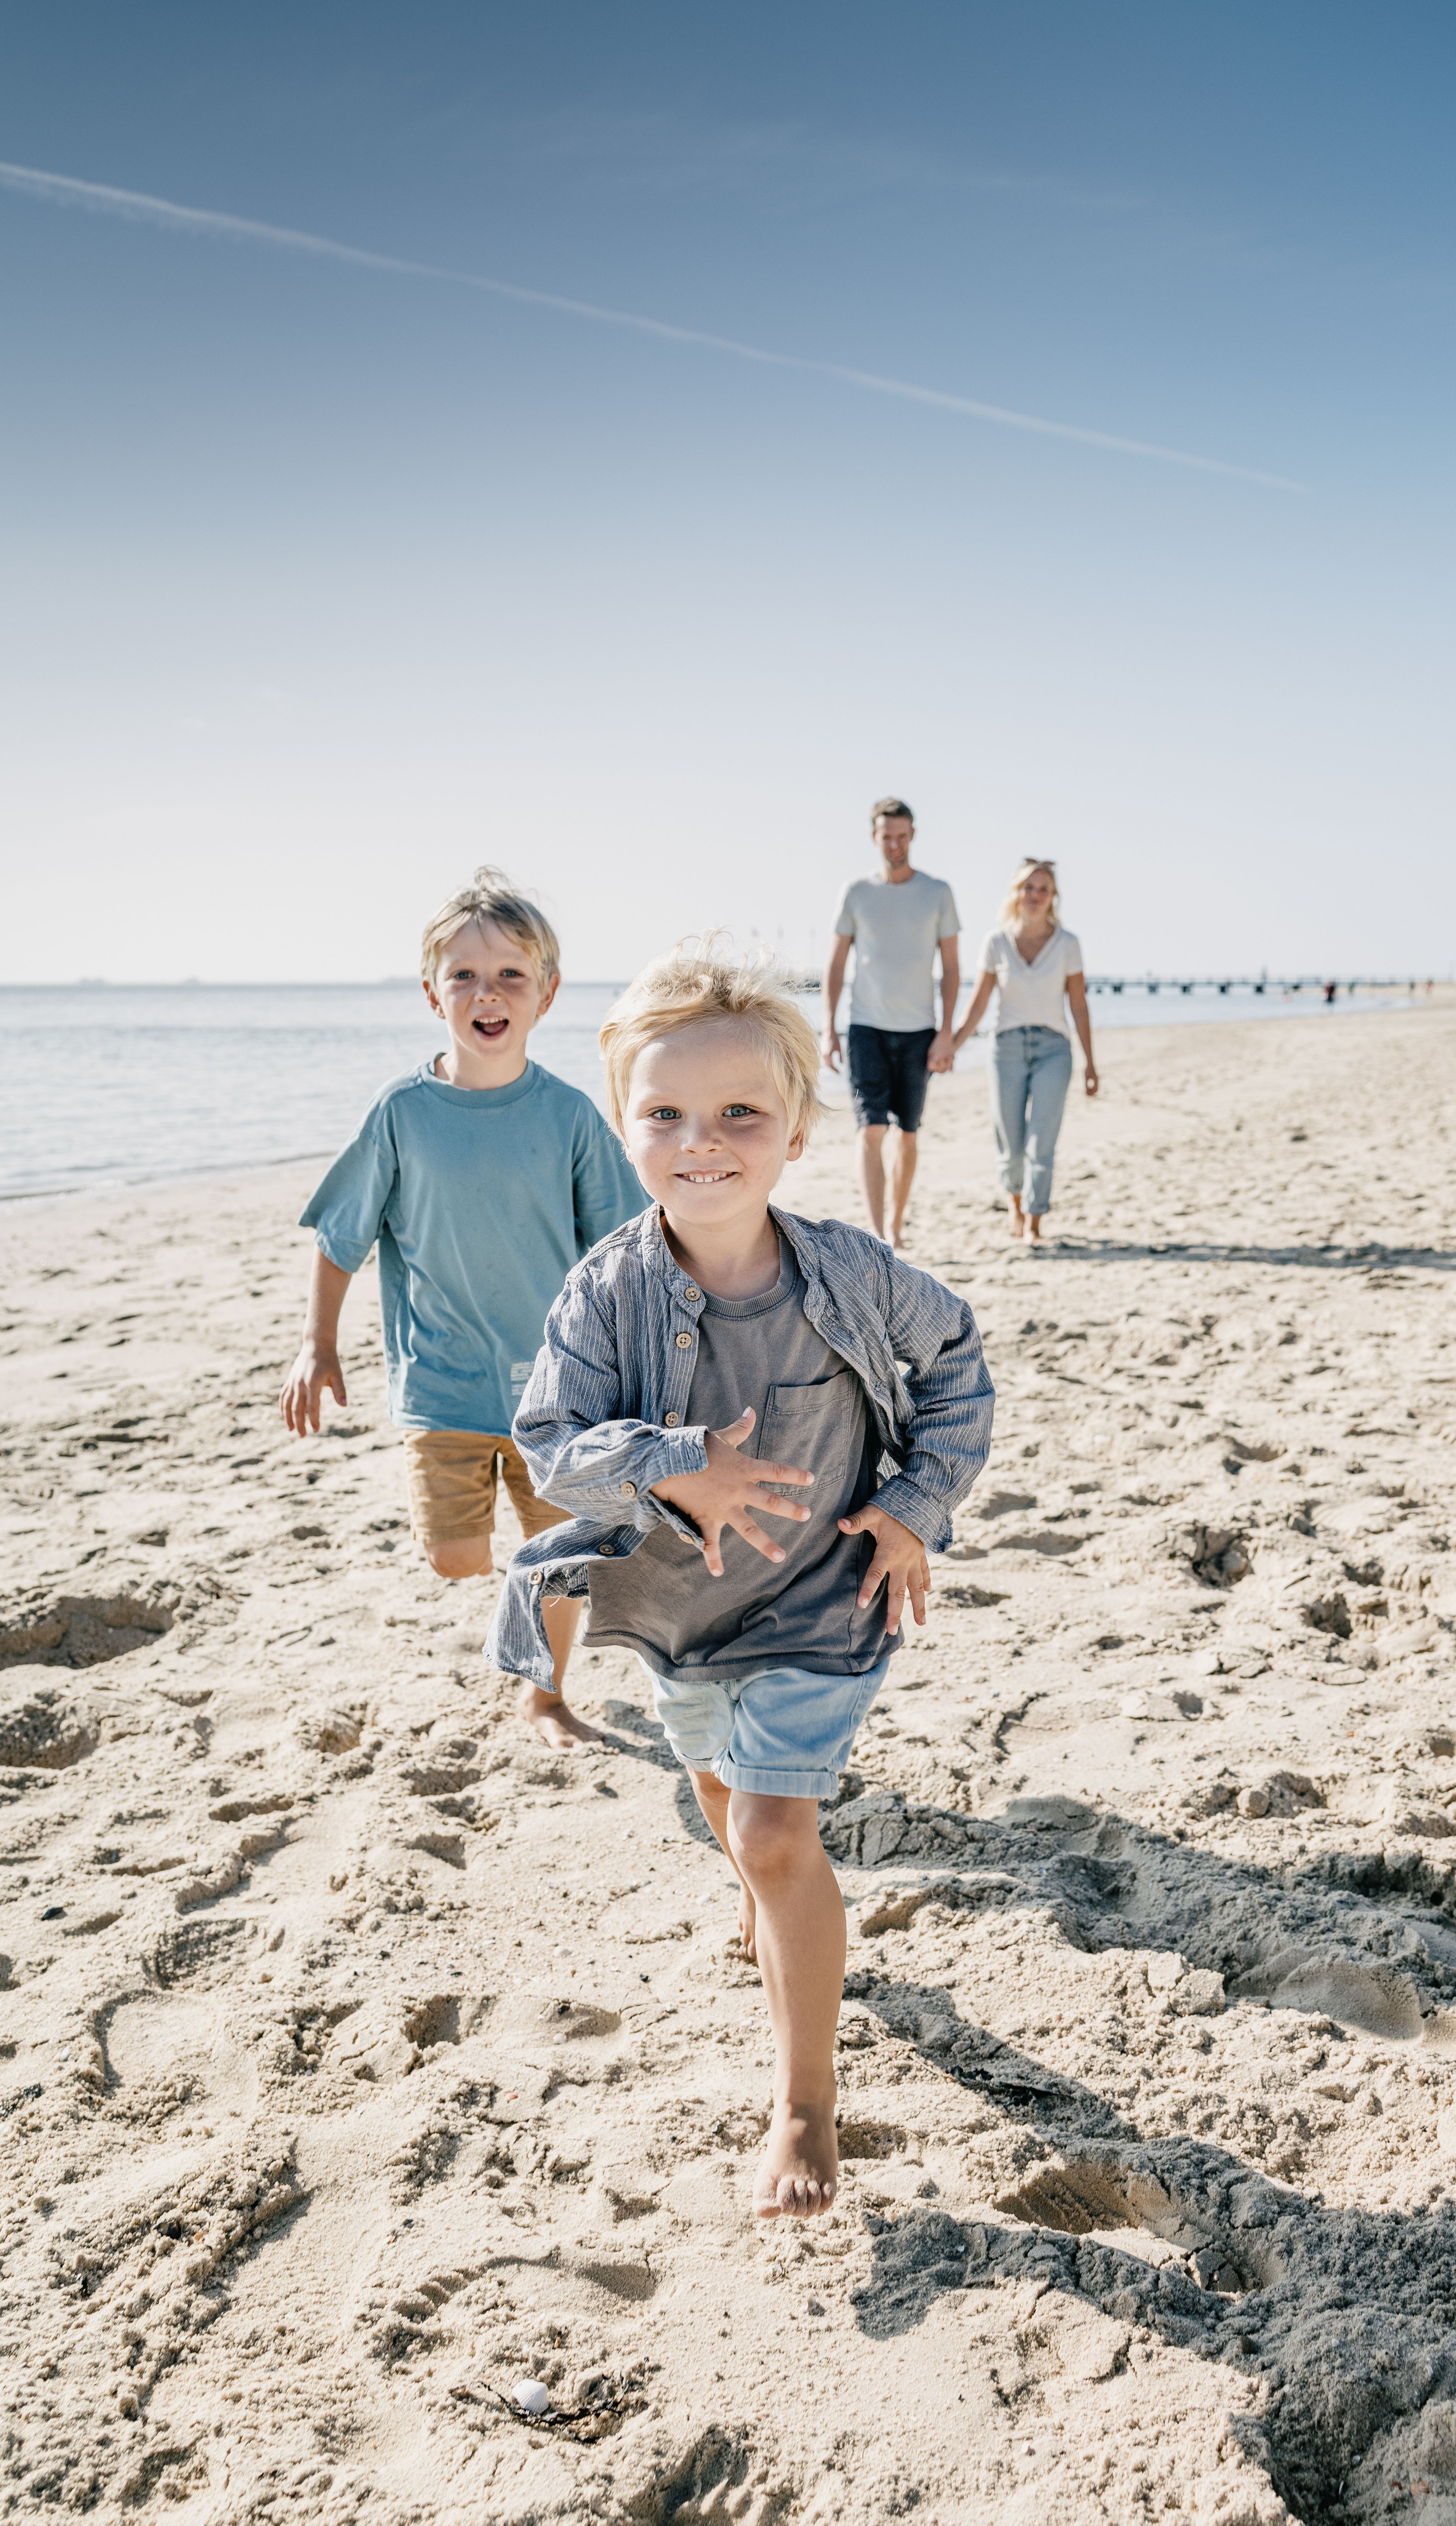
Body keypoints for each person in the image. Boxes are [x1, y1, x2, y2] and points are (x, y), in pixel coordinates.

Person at [485, 939, 993, 2216]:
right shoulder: (604, 1291)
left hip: (826, 1601)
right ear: (622, 1127)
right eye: (663, 1113)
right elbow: (547, 1444)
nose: (699, 1140)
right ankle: (776, 1908)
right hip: (678, 1611)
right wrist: (673, 1468)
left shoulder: (857, 1272)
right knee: (726, 1806)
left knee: (774, 1830)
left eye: (738, 1114)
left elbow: (957, 1366)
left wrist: (913, 1505)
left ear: (795, 1131)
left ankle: (805, 2103)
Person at [278, 869, 646, 1748]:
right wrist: (315, 1345)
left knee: (559, 1560)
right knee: (453, 1558)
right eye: (466, 976)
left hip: (557, 1391)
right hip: (441, 1387)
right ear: (431, 992)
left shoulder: (567, 1117)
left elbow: (622, 1247)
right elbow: (341, 1237)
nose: (488, 994)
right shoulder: (403, 1113)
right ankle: (516, 1583)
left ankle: (545, 1695)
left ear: (547, 993)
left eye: (511, 975)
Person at [821, 797, 960, 1249]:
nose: (895, 844)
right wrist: (829, 1027)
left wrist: (946, 1033)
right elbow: (837, 963)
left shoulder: (937, 892)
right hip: (865, 1027)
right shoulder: (857, 893)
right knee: (871, 1129)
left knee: (908, 1133)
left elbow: (953, 968)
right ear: (875, 837)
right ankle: (879, 1233)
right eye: (887, 836)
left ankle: (897, 1224)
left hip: (919, 1030)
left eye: (902, 836)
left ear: (913, 835)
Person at [953, 857, 1098, 1244]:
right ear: (1017, 893)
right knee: (1010, 1140)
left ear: (1053, 898)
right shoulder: (996, 942)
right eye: (1028, 888)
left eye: (1043, 889)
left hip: (1054, 1049)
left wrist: (1090, 1063)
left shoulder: (1068, 945)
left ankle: (1035, 1222)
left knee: (1042, 1140)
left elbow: (1079, 1005)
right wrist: (951, 1045)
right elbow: (979, 1003)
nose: (1035, 895)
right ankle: (1016, 1209)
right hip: (1007, 1048)